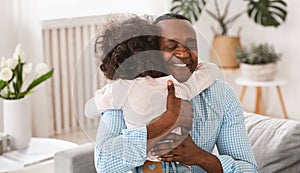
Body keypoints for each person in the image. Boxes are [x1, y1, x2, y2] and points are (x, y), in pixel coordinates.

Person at [94, 13, 258, 173]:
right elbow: (104, 163)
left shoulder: (220, 94)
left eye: (191, 46)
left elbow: (249, 169)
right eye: (171, 47)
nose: (184, 53)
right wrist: (167, 121)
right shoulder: (129, 90)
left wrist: (198, 156)